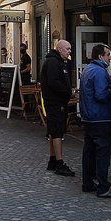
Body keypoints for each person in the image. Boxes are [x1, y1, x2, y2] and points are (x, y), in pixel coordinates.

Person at [79, 43, 111, 198]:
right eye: (108, 55)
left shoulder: (88, 69)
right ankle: (103, 186)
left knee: (89, 152)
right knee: (102, 153)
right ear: (100, 56)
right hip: (100, 117)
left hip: (88, 117)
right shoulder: (100, 72)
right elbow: (101, 95)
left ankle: (87, 183)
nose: (109, 58)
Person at [41, 40, 75, 177]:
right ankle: (59, 163)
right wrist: (68, 92)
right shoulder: (53, 63)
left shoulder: (57, 62)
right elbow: (54, 82)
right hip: (55, 103)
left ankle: (53, 160)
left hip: (56, 102)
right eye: (67, 49)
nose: (69, 51)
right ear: (59, 49)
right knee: (57, 133)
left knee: (53, 131)